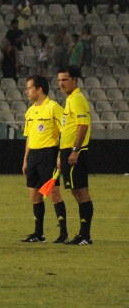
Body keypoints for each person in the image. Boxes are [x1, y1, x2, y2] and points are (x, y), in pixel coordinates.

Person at [21, 75, 67, 243]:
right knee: (34, 196)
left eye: (29, 88)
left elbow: (65, 132)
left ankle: (63, 233)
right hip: (33, 155)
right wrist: (26, 159)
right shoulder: (30, 111)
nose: (27, 91)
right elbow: (28, 137)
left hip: (49, 154)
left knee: (54, 193)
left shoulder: (53, 107)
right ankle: (38, 233)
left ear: (39, 89)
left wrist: (61, 155)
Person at [57, 66, 94, 245]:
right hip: (67, 151)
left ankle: (85, 236)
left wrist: (75, 150)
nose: (61, 84)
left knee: (81, 191)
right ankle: (83, 234)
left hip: (74, 151)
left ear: (74, 80)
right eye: (59, 80)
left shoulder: (77, 99)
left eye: (65, 80)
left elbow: (83, 125)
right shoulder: (71, 99)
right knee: (76, 190)